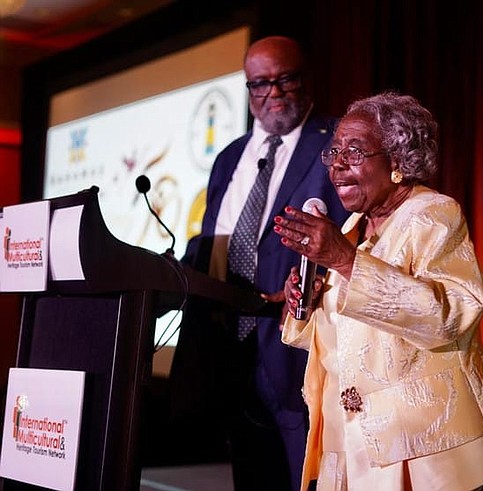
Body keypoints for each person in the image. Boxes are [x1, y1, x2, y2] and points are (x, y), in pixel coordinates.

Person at [273, 92, 483, 490]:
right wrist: (306, 304)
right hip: (350, 441)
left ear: (399, 161)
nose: (337, 164)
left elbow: (448, 316)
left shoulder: (433, 214)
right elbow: (349, 343)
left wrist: (344, 261)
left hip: (420, 446)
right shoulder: (353, 227)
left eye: (354, 152)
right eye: (334, 151)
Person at [168, 36, 348, 491]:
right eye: (261, 84)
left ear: (305, 80)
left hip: (296, 345)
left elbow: (354, 240)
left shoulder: (335, 145)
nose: (275, 93)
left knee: (301, 474)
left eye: (286, 79)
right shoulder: (230, 156)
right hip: (229, 346)